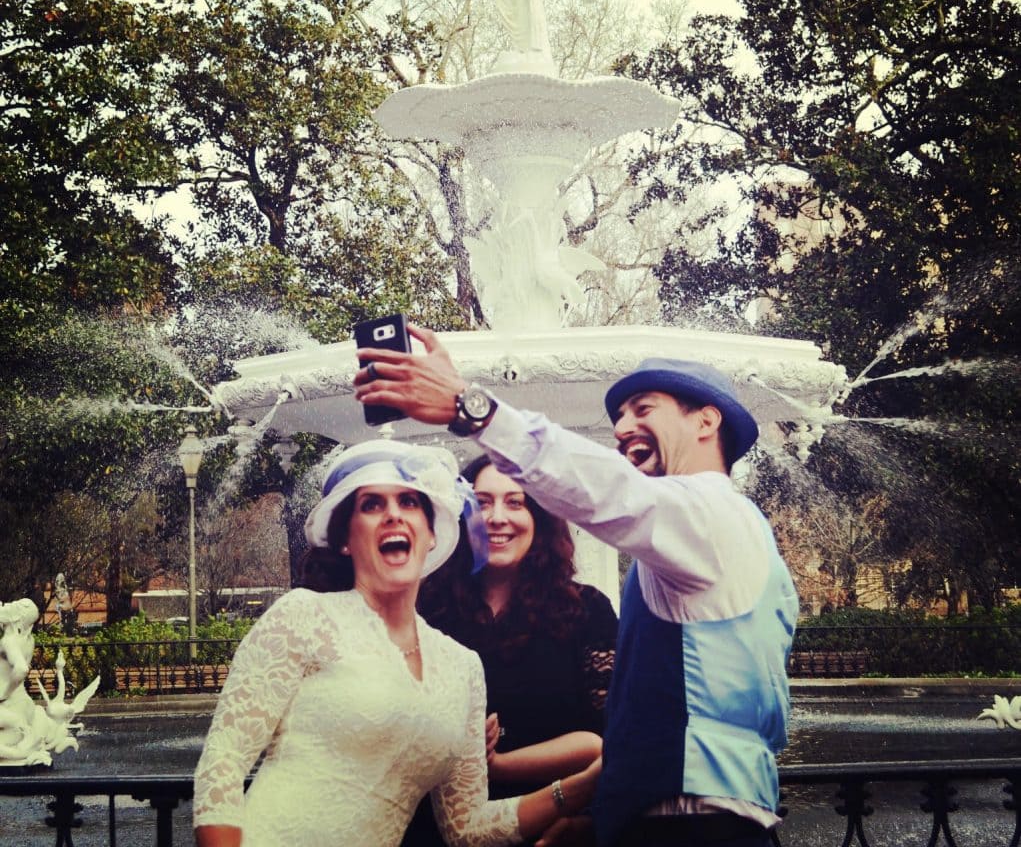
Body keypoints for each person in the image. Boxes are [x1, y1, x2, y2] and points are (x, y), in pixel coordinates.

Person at [355, 328, 798, 847]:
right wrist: (602, 817)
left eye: (643, 408)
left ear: (706, 419)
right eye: (619, 417)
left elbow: (609, 491)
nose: (623, 427)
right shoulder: (736, 537)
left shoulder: (708, 514)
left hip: (695, 826)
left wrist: (468, 406)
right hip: (693, 816)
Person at [192, 439, 600, 847]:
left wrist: (576, 790)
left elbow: (468, 829)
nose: (392, 515)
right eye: (371, 505)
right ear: (346, 539)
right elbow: (221, 768)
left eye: (408, 502)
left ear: (432, 532)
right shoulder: (304, 616)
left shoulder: (462, 667)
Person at [402, 457, 617, 847]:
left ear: (541, 518)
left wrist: (497, 767)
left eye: (516, 503)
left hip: (551, 827)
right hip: (431, 831)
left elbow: (609, 739)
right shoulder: (422, 608)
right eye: (482, 503)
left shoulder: (587, 611)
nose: (496, 517)